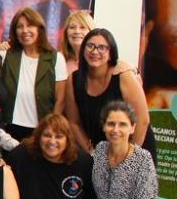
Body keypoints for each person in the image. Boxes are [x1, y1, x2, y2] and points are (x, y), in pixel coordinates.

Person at [65, 28, 156, 161]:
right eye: (90, 46)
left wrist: (128, 157)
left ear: (111, 53)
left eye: (102, 48)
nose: (95, 51)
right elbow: (74, 123)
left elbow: (142, 120)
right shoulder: (73, 80)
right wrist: (91, 152)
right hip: (102, 153)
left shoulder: (123, 76)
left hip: (136, 148)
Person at [4, 113, 94, 199]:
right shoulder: (20, 156)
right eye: (47, 135)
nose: (52, 141)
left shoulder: (83, 162)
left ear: (68, 140)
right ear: (38, 137)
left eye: (59, 136)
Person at [1, 7, 68, 140]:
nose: (25, 30)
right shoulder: (5, 56)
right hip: (9, 128)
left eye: (30, 25)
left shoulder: (56, 58)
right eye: (20, 27)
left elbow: (60, 100)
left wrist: (51, 127)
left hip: (42, 129)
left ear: (39, 29)